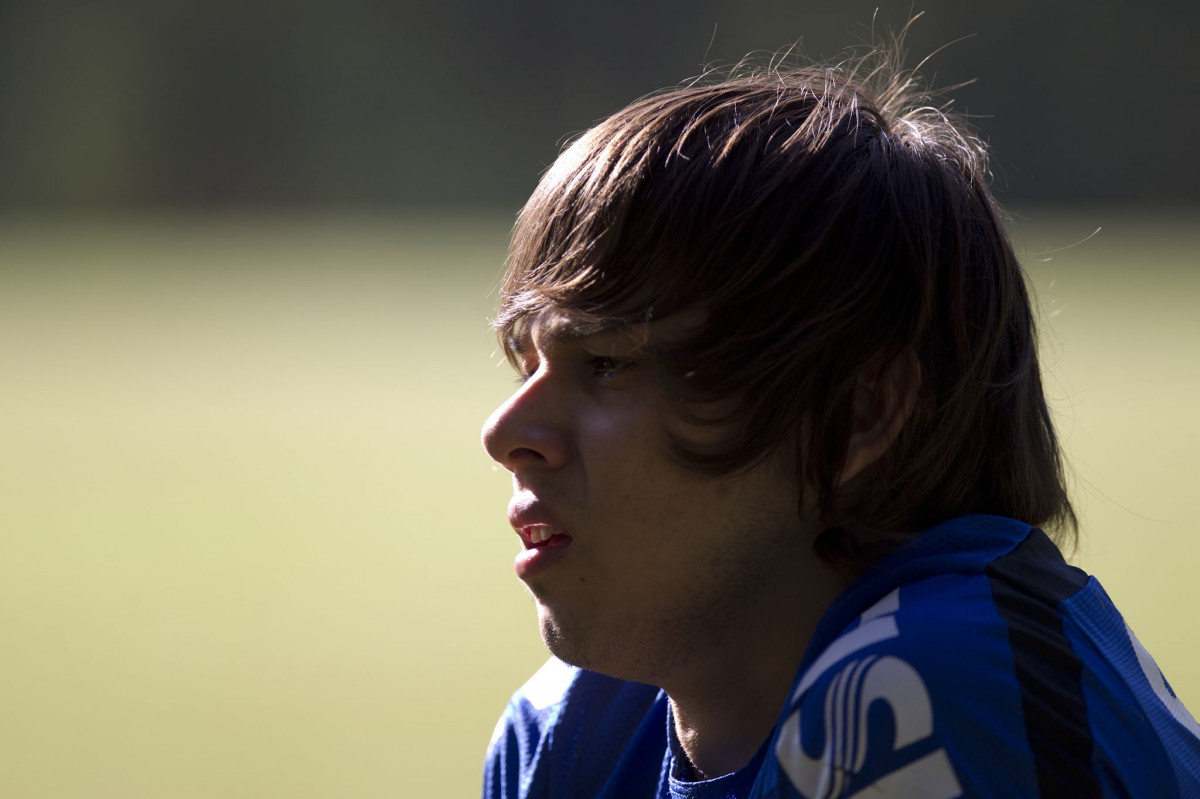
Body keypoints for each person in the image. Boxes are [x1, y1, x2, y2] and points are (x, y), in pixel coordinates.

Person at [478, 39, 1200, 799]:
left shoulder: (924, 695)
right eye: (527, 366)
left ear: (857, 414)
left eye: (607, 363)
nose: (507, 434)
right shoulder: (568, 732)